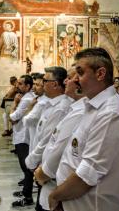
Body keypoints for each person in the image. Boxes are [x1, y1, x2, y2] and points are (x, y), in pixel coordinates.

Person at [49, 48, 119, 211]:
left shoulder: (110, 113)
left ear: (100, 74)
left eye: (80, 73)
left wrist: (55, 195)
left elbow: (87, 175)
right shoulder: (93, 106)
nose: (75, 80)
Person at [34, 65, 86, 211]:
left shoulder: (77, 110)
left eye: (69, 78)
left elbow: (59, 148)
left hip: (59, 184)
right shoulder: (74, 107)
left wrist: (43, 172)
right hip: (52, 180)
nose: (65, 82)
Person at [9, 75, 35, 207]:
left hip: (23, 136)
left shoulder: (26, 100)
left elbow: (13, 118)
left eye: (20, 83)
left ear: (28, 86)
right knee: (26, 167)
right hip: (22, 135)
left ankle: (28, 196)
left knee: (26, 168)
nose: (17, 86)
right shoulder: (26, 98)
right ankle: (26, 190)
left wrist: (14, 104)